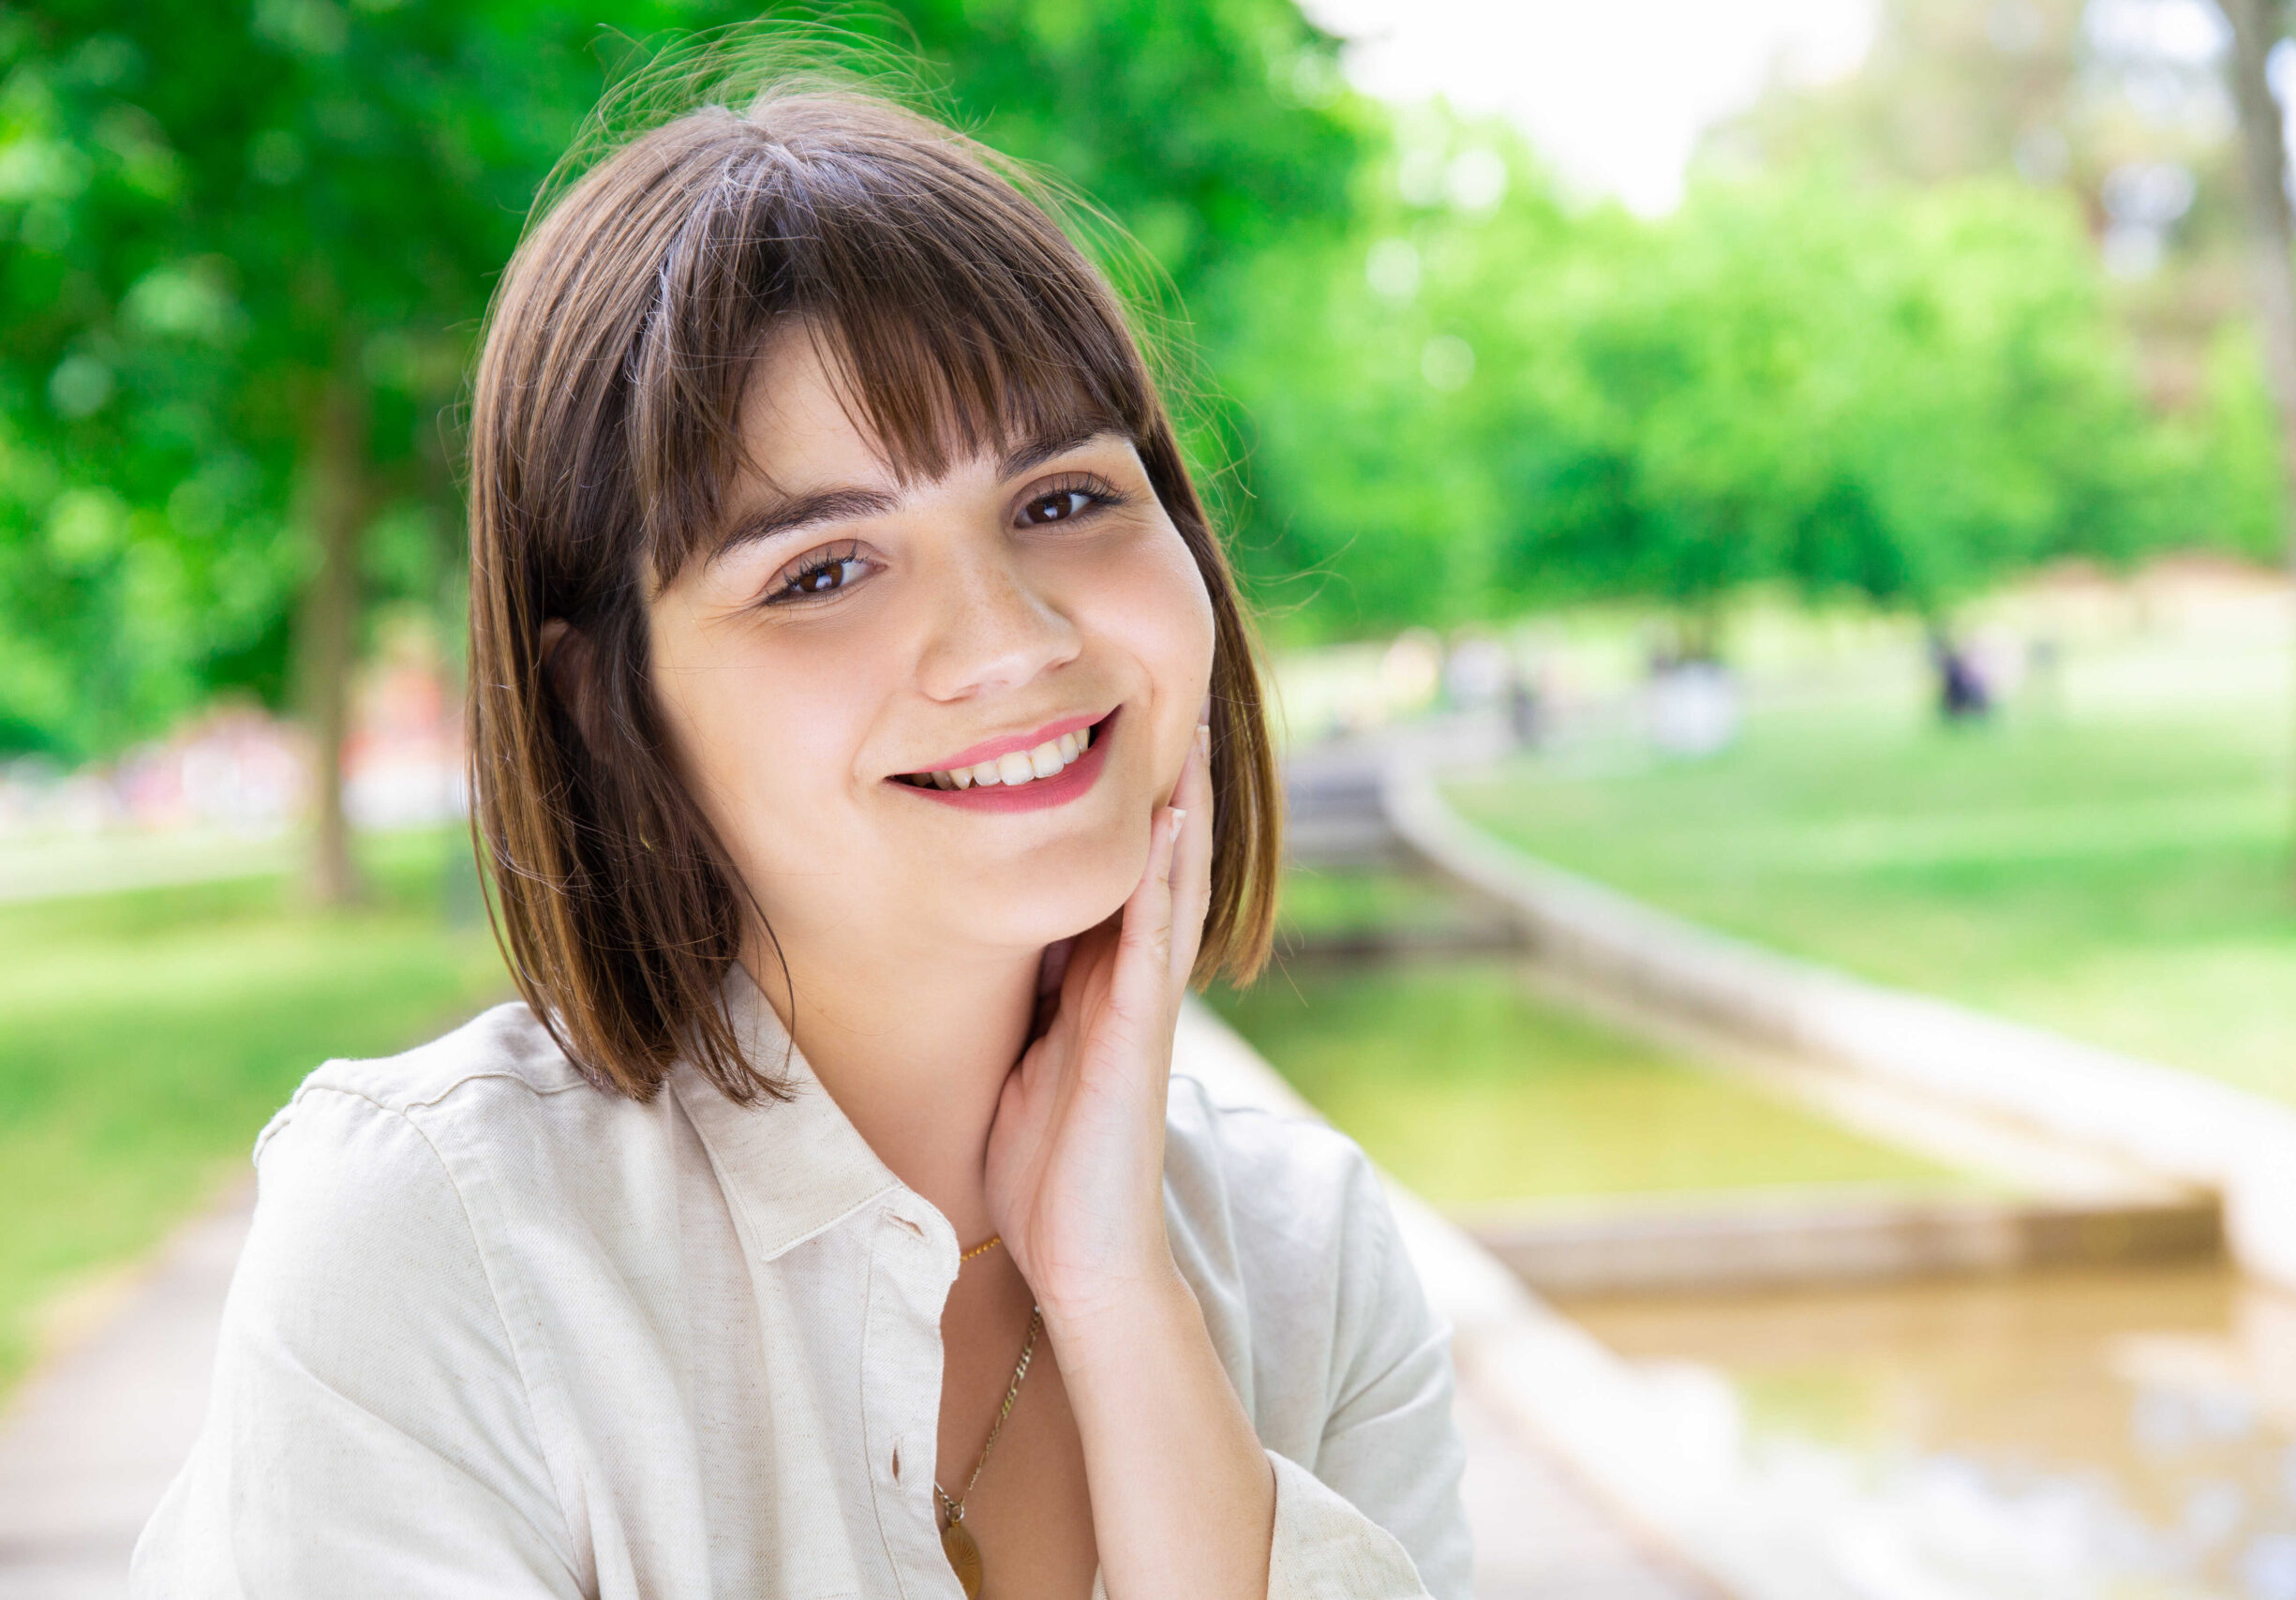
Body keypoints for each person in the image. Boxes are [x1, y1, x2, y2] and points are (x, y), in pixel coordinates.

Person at [131, 71, 1469, 1600]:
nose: (1009, 640)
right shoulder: (446, 1254)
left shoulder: (1308, 1258)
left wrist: (1119, 1298)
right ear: (601, 703)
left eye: (1060, 498)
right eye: (823, 571)